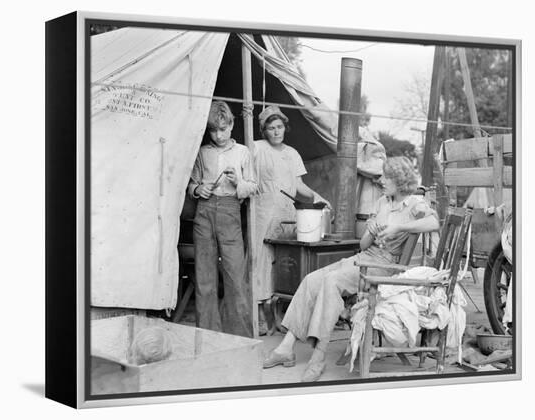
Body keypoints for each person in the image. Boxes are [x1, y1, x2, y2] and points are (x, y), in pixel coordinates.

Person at [262, 156, 440, 382]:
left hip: (383, 267)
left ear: (399, 179)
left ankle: (318, 356)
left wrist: (399, 226)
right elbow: (364, 245)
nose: (381, 180)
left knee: (332, 281)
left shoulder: (415, 204)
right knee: (311, 279)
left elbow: (434, 223)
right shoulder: (383, 202)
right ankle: (286, 348)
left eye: (386, 177)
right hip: (364, 257)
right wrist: (371, 232)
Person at [252, 105, 331, 334]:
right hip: (264, 213)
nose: (276, 132)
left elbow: (298, 186)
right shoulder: (257, 148)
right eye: (270, 128)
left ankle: (281, 316)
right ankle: (258, 315)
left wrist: (319, 197)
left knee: (285, 264)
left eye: (279, 127)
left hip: (287, 214)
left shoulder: (292, 153)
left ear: (284, 128)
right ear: (264, 131)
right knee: (261, 261)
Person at [188, 101, 257, 338]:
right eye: (213, 130)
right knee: (204, 275)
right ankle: (207, 336)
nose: (218, 135)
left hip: (230, 211)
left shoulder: (243, 152)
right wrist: (199, 190)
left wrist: (238, 181)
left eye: (223, 129)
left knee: (235, 275)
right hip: (204, 211)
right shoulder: (202, 152)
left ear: (231, 125)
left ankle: (238, 337)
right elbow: (192, 184)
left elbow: (253, 186)